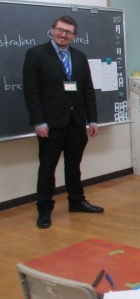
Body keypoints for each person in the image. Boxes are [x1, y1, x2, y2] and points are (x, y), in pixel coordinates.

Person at [23, 15, 104, 229]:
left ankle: (76, 201)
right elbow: (31, 92)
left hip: (76, 122)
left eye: (68, 32)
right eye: (60, 30)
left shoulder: (79, 56)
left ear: (74, 36)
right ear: (52, 30)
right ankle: (44, 209)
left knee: (73, 165)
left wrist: (92, 119)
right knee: (47, 167)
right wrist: (39, 122)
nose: (63, 35)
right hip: (50, 124)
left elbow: (87, 89)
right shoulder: (36, 55)